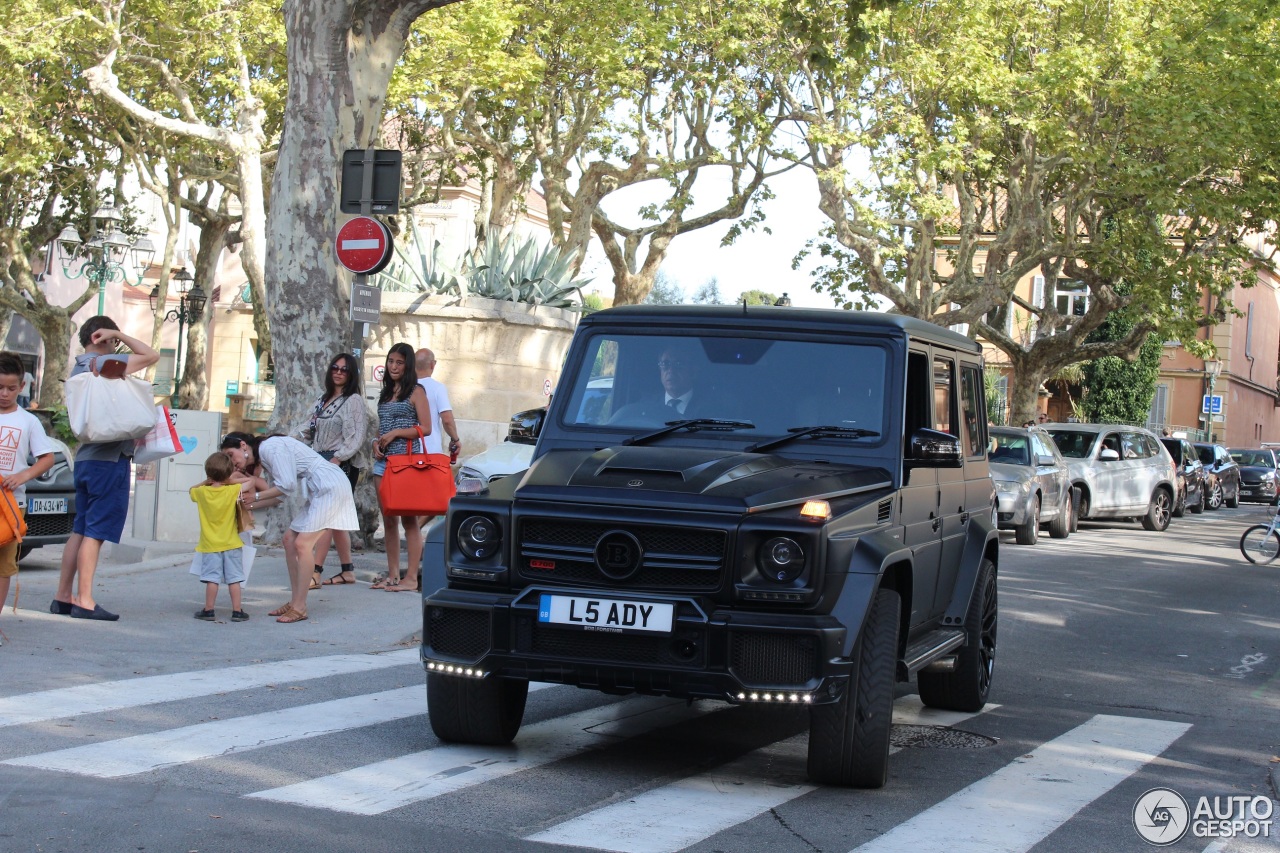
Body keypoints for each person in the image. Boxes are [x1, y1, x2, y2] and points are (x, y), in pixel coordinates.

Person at [52, 316, 159, 621]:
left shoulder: (79, 368)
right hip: (109, 461)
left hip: (85, 458)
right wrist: (119, 334)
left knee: (80, 529)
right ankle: (85, 600)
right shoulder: (106, 364)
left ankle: (63, 595)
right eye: (112, 339)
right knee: (95, 533)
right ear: (102, 338)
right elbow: (151, 356)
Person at [220, 432, 359, 623]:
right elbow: (281, 495)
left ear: (243, 445)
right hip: (320, 488)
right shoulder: (267, 454)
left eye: (230, 454)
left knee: (302, 545)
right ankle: (295, 602)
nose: (231, 462)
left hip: (330, 487)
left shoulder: (269, 447)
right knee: (289, 540)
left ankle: (300, 606)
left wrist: (257, 497)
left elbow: (287, 485)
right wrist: (248, 506)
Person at [294, 352, 367, 588]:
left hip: (340, 464)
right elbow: (307, 428)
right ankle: (347, 571)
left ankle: (315, 572)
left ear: (352, 374)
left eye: (344, 369)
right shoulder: (322, 399)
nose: (338, 372)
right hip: (319, 462)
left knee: (323, 516)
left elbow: (356, 437)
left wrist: (337, 459)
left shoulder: (353, 400)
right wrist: (286, 443)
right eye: (335, 367)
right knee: (335, 519)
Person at [0, 351, 55, 644]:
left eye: (11, 388)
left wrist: (22, 476)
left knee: (3, 566)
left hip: (11, 506)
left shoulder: (28, 421)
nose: (5, 393)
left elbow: (46, 458)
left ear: (22, 386)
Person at [371, 343, 431, 592]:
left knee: (409, 522)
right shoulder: (385, 393)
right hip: (382, 463)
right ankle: (393, 575)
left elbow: (425, 428)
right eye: (390, 361)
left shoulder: (416, 391)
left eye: (399, 362)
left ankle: (411, 578)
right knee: (388, 521)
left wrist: (396, 433)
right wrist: (376, 441)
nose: (393, 367)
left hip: (406, 464)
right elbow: (381, 426)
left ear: (407, 366)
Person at [189, 452, 250, 622]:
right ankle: (237, 611)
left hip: (210, 544)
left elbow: (191, 490)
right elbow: (249, 482)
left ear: (208, 472)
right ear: (229, 472)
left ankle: (209, 610)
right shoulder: (232, 490)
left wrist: (206, 482)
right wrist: (229, 481)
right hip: (231, 543)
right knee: (234, 579)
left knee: (211, 579)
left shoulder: (201, 492)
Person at [415, 348, 460, 529]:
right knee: (442, 498)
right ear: (433, 365)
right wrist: (455, 439)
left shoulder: (404, 387)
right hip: (430, 453)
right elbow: (447, 419)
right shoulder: (437, 388)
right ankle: (414, 531)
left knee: (412, 499)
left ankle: (412, 534)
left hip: (405, 451)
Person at [609, 344, 702, 423]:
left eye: (678, 364)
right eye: (665, 364)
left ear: (693, 371)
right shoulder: (645, 406)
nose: (670, 370)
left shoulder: (709, 407)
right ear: (660, 370)